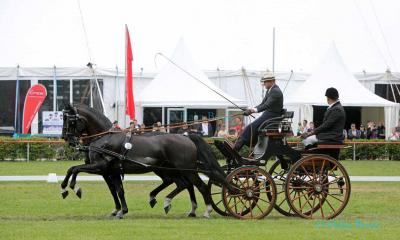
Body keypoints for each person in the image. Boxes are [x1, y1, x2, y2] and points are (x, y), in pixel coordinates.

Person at [233, 72, 283, 151]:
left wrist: (252, 110)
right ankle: (246, 144)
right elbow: (262, 104)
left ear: (272, 81)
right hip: (268, 115)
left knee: (250, 127)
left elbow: (266, 105)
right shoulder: (270, 90)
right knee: (252, 127)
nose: (264, 84)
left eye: (265, 82)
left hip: (272, 116)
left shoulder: (275, 91)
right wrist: (250, 110)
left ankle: (237, 147)